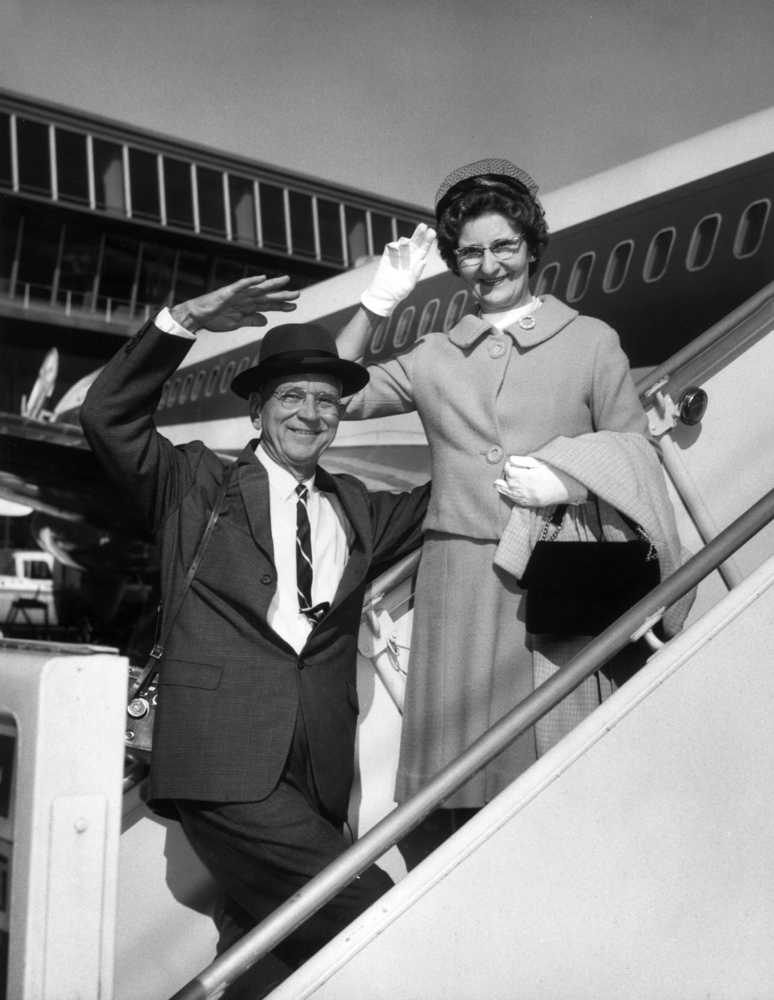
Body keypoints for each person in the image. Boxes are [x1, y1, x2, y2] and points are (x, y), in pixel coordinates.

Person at [80, 274, 431, 998]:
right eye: (292, 397)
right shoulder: (195, 485)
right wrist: (180, 321)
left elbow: (461, 485)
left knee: (264, 950)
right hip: (220, 764)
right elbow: (107, 416)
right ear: (257, 408)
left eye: (327, 401)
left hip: (319, 772)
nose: (311, 414)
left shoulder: (359, 506)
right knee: (373, 909)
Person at [336, 160, 690, 836]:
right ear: (453, 263)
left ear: (531, 247)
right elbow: (331, 393)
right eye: (470, 251)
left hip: (555, 574)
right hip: (459, 588)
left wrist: (571, 475)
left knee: (557, 772)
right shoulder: (434, 352)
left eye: (503, 246)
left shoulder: (590, 341)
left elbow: (636, 452)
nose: (489, 265)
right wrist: (378, 304)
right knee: (459, 788)